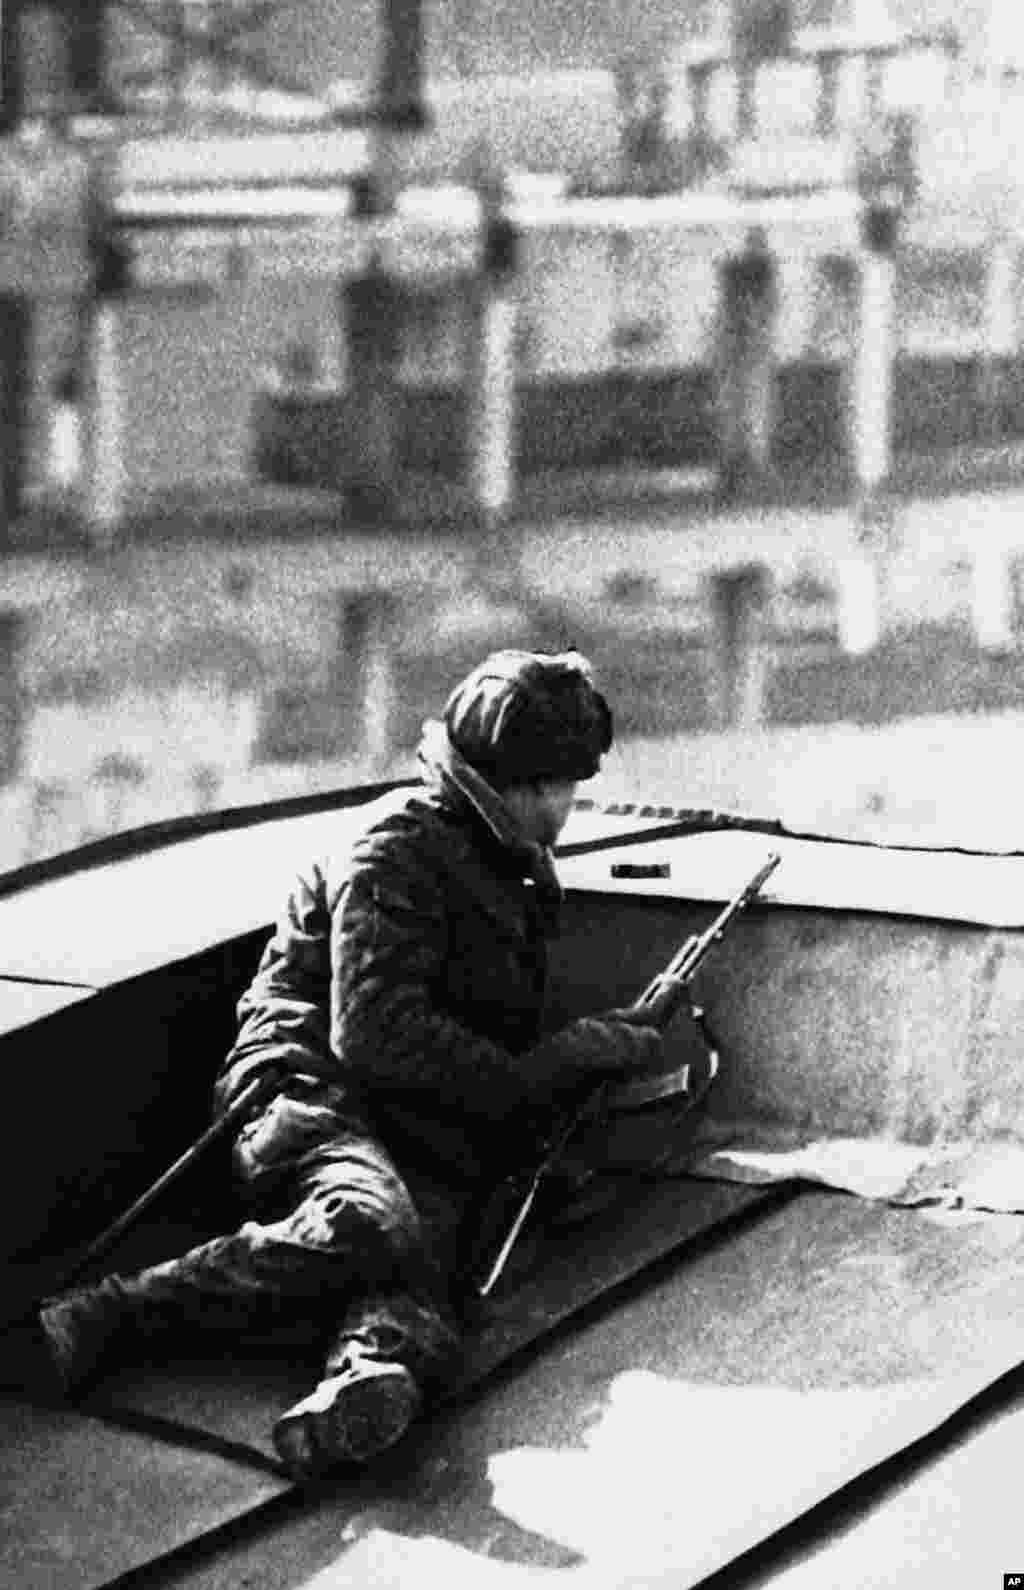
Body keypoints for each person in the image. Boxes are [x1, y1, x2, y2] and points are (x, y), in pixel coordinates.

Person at [37, 650, 668, 1483]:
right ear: (525, 784)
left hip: (410, 1114)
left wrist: (580, 1057)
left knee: (438, 1267)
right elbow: (373, 1034)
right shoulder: (397, 848)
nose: (572, 803)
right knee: (374, 1224)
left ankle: (362, 1378)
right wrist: (548, 1066)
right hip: (303, 1093)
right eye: (565, 783)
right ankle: (107, 1313)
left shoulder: (497, 859)